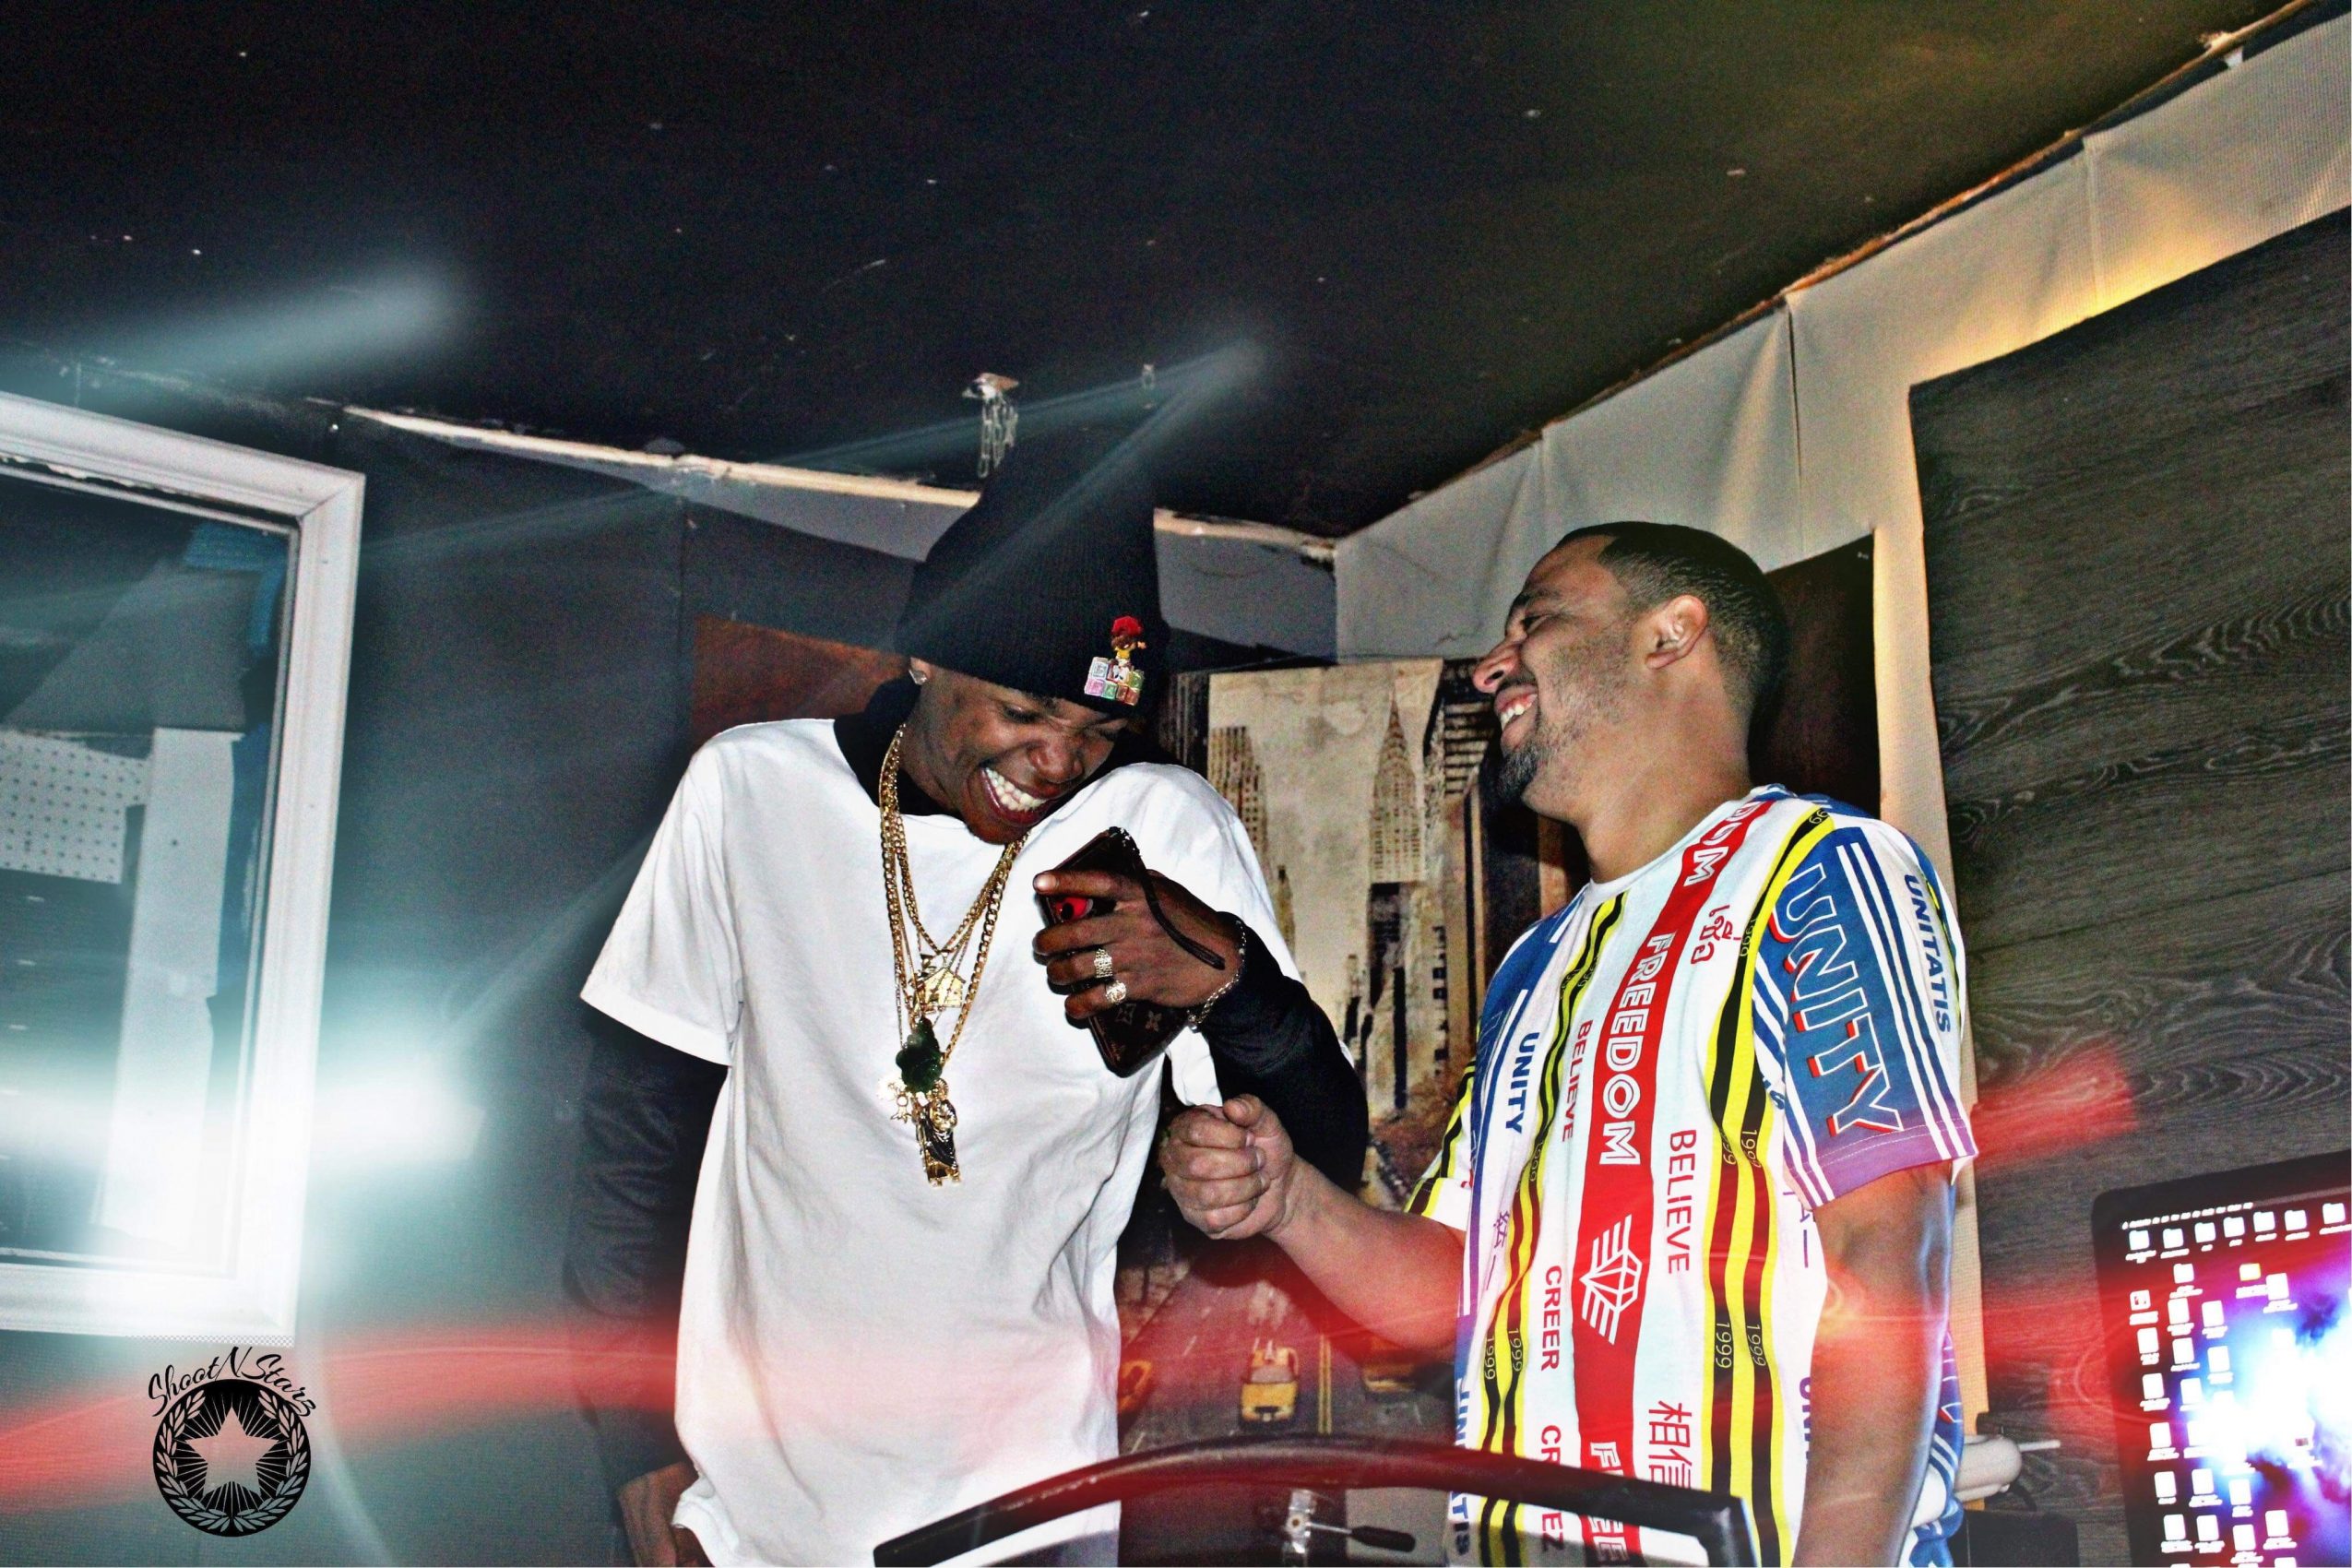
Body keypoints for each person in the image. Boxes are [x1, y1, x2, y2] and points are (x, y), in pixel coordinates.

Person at [564, 423, 1366, 1566]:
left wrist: (1228, 980)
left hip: (1030, 1502)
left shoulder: (1162, 826)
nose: (1058, 764)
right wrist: (638, 1447)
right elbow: (635, 1142)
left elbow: (1321, 1158)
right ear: (928, 657)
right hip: (757, 1509)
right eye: (1026, 714)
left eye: (1097, 730)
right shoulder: (750, 792)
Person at [1160, 523, 1977, 1567]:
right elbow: (1451, 1295)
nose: (1490, 665)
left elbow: (1887, 1256)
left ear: (1671, 634)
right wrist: (1288, 1202)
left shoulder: (1820, 869)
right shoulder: (1535, 963)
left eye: (1534, 621)